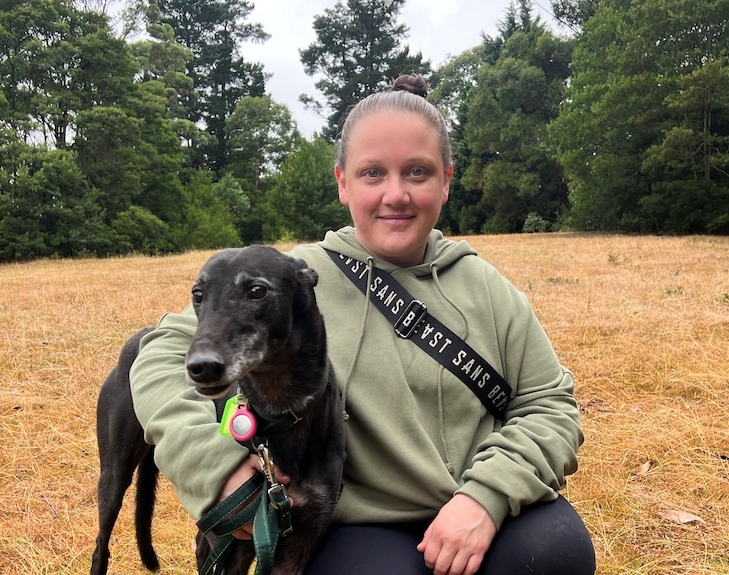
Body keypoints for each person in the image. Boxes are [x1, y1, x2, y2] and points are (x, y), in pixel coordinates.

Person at [130, 74, 596, 575]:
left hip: (474, 509)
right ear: (343, 182)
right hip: (353, 525)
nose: (395, 194)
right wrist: (212, 466)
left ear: (446, 180)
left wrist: (485, 497)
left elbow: (549, 406)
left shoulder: (487, 288)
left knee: (556, 553)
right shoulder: (288, 279)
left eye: (417, 172)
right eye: (373, 173)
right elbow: (159, 354)